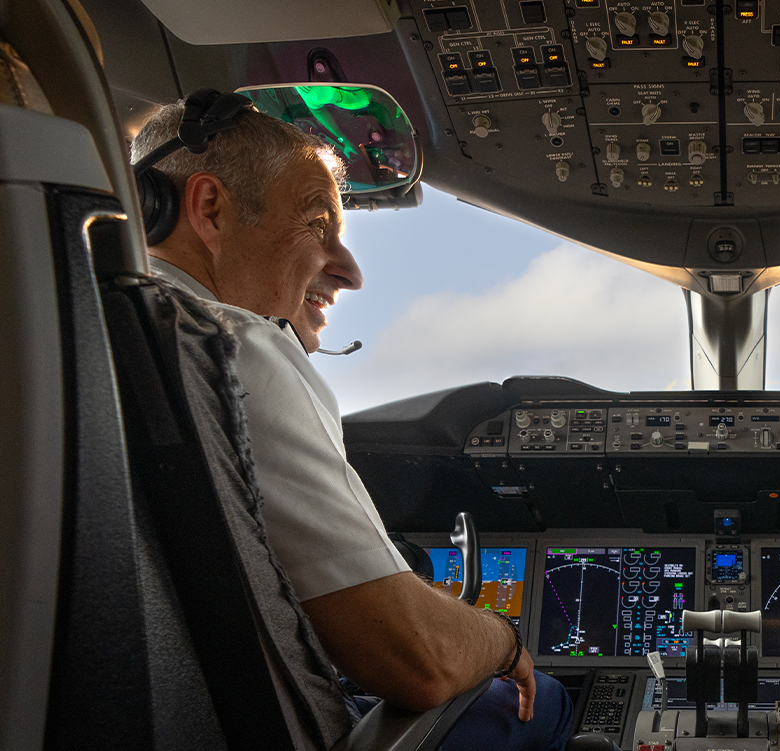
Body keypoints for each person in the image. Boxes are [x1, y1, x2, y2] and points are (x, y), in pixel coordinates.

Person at [129, 100, 572, 750]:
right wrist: (506, 642)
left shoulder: (78, 342)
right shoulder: (231, 348)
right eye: (318, 224)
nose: (351, 270)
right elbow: (420, 660)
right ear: (210, 210)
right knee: (545, 702)